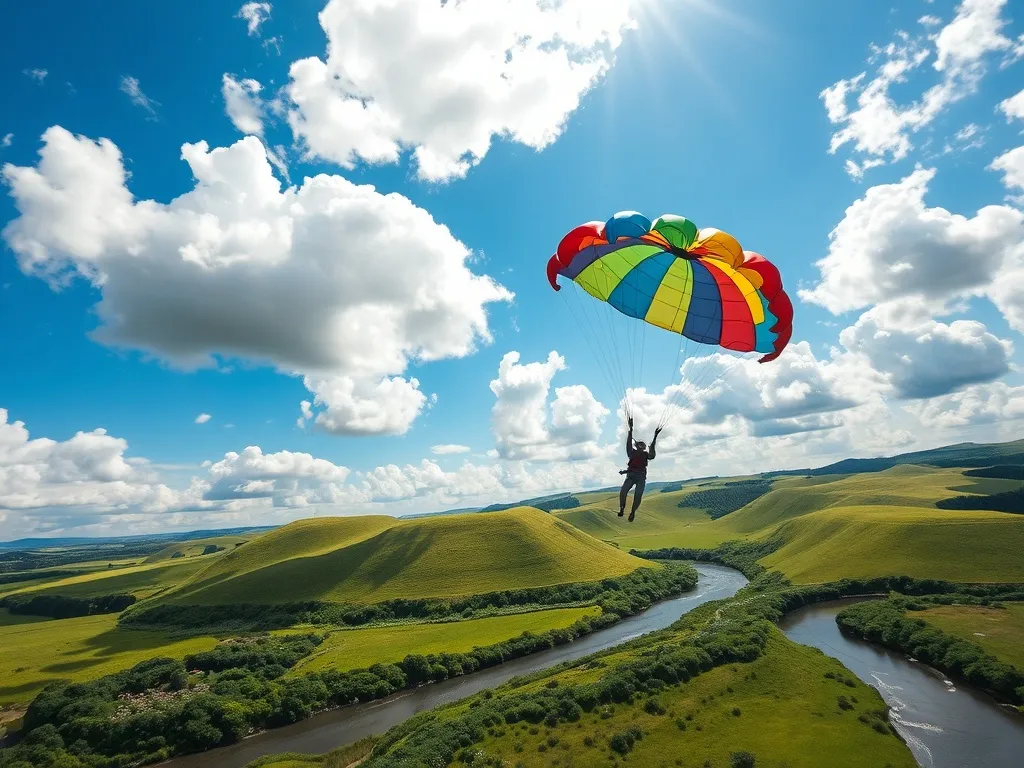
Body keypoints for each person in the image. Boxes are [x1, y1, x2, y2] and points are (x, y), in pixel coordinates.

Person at [618, 417, 661, 522]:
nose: (642, 445)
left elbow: (652, 453)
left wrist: (655, 436)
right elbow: (628, 442)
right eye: (640, 444)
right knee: (623, 492)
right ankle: (622, 508)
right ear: (637, 446)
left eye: (643, 445)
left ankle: (633, 512)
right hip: (631, 476)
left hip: (640, 477)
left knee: (638, 496)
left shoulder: (646, 455)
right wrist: (630, 429)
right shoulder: (631, 452)